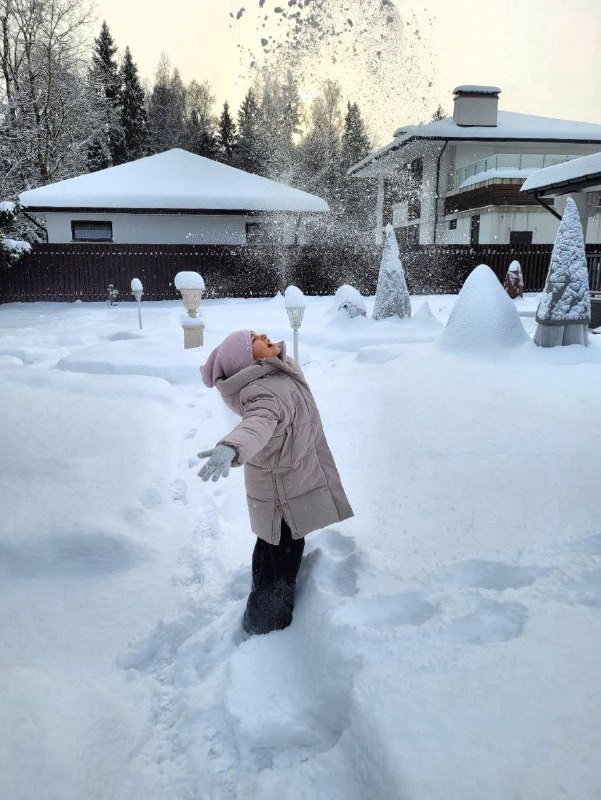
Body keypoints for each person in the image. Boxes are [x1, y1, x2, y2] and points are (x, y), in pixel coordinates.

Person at [198, 329, 353, 636]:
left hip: (288, 477)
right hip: (279, 488)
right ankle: (266, 625)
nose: (263, 334)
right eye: (254, 338)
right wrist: (231, 446)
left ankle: (263, 610)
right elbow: (256, 424)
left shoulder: (275, 373)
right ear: (247, 360)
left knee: (273, 544)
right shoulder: (261, 392)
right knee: (281, 554)